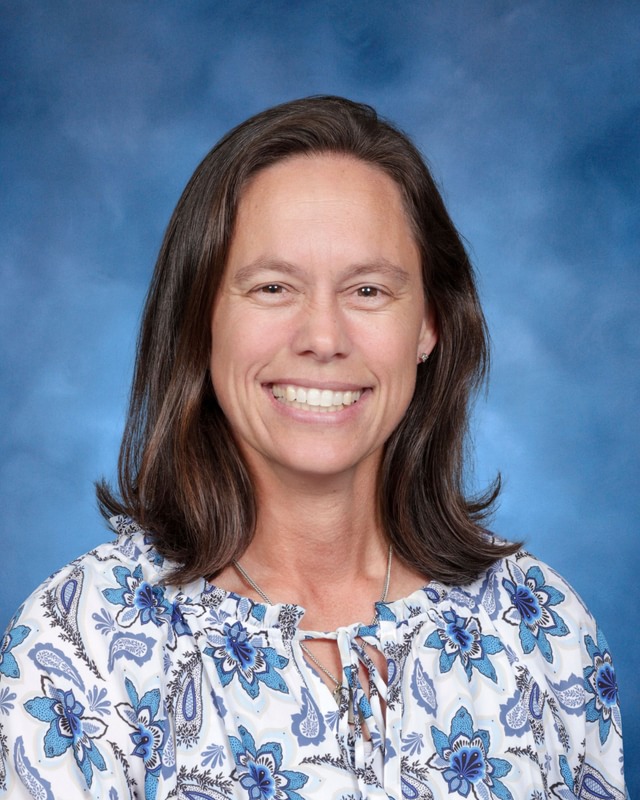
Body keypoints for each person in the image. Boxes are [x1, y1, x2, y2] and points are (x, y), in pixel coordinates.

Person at [0, 96, 626, 800]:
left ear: (430, 324)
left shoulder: (541, 626)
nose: (323, 338)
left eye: (367, 289)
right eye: (272, 287)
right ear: (201, 319)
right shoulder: (80, 644)